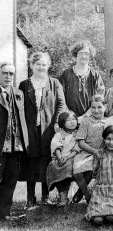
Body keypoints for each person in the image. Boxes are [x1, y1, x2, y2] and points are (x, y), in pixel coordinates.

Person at [19, 52, 66, 209]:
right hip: (30, 129)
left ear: (48, 66)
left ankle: (46, 196)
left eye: (44, 64)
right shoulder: (24, 85)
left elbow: (60, 104)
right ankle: (30, 198)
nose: (41, 67)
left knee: (46, 161)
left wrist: (58, 122)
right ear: (32, 65)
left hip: (49, 129)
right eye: (38, 64)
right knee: (30, 161)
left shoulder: (54, 83)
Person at [0, 62, 28, 221]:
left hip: (15, 145)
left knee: (11, 179)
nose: (8, 76)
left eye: (11, 73)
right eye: (5, 73)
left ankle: (4, 213)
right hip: (0, 143)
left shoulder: (18, 94)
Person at [85, 125, 113, 225]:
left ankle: (111, 214)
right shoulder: (98, 153)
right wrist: (93, 180)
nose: (111, 142)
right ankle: (97, 214)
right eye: (108, 139)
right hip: (101, 190)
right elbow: (95, 170)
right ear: (104, 139)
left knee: (110, 218)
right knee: (97, 220)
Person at [59, 40, 105, 121]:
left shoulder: (95, 75)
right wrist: (69, 116)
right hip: (69, 120)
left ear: (90, 55)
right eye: (81, 53)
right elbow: (60, 98)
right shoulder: (66, 74)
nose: (84, 56)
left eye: (86, 53)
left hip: (91, 119)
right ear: (76, 54)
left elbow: (99, 100)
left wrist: (84, 117)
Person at [72, 94, 106, 204]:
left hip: (101, 153)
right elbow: (80, 142)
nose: (96, 110)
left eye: (99, 107)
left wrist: (99, 152)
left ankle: (81, 191)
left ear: (105, 107)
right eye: (93, 107)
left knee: (92, 170)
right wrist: (94, 151)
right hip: (86, 152)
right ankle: (87, 196)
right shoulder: (86, 122)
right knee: (78, 170)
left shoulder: (108, 122)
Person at [46, 111, 79, 207]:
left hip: (72, 157)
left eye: (74, 119)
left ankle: (66, 194)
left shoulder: (78, 134)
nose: (72, 122)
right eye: (68, 120)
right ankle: (62, 194)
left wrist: (67, 157)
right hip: (60, 157)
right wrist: (59, 157)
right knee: (54, 166)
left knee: (68, 166)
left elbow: (77, 149)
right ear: (62, 122)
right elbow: (56, 145)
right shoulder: (59, 134)